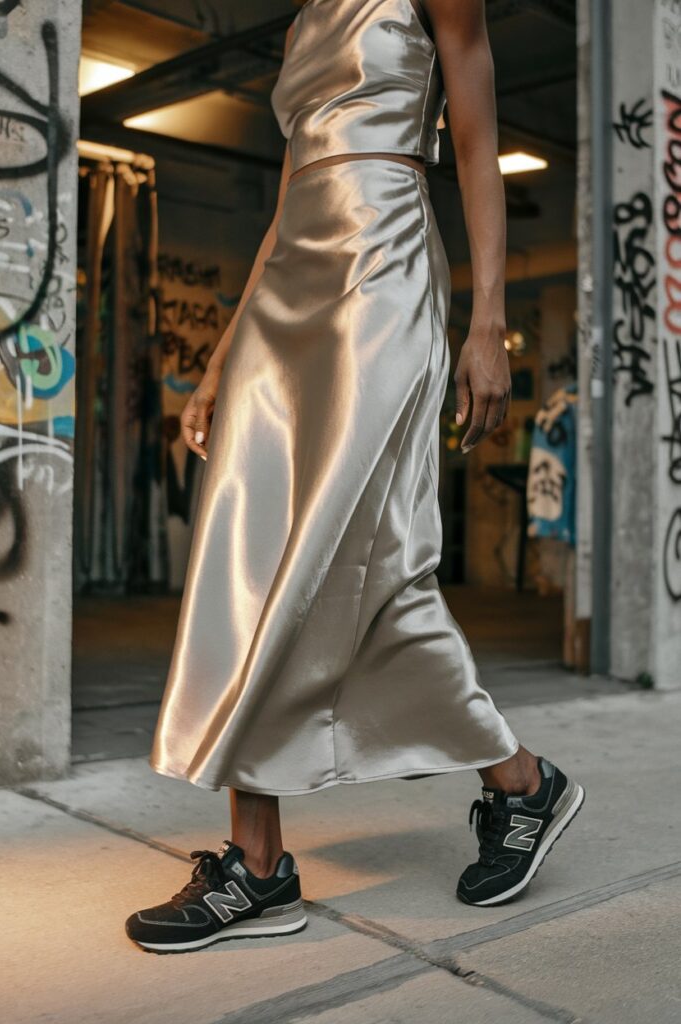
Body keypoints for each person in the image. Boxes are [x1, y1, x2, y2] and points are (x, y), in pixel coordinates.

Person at [125, 0, 584, 954]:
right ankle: (257, 869)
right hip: (287, 288)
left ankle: (520, 780)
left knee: (364, 559)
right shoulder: (303, 22)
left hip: (383, 270)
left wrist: (488, 317)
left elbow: (476, 135)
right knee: (244, 556)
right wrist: (220, 356)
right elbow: (292, 192)